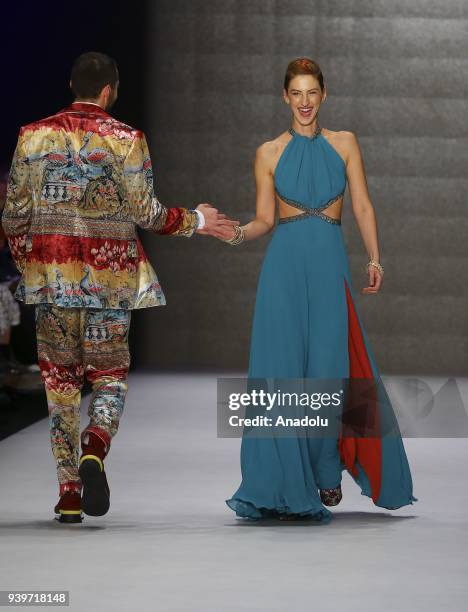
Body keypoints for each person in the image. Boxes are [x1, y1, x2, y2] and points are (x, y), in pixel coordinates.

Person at [2, 51, 237, 524]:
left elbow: (12, 217)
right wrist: (196, 219)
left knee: (60, 387)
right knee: (108, 379)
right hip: (110, 282)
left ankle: (69, 494)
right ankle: (96, 445)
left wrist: (34, 263)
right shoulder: (127, 139)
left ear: (73, 84)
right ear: (109, 91)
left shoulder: (32, 136)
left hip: (52, 285)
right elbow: (147, 214)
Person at [224, 58, 416, 521]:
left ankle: (325, 471)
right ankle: (281, 483)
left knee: (328, 373)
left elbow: (364, 206)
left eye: (312, 93)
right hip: (284, 269)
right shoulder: (268, 152)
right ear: (285, 98)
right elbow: (265, 220)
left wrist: (374, 257)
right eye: (296, 94)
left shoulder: (345, 143)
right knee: (283, 373)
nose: (305, 102)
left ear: (324, 95)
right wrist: (234, 233)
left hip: (329, 265)